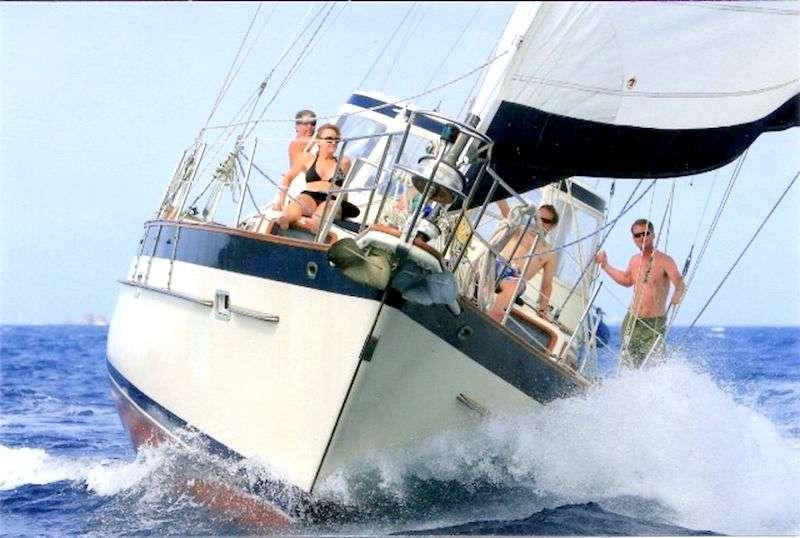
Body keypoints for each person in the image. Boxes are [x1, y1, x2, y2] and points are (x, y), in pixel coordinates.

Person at [594, 219, 685, 368]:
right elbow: (627, 280)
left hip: (654, 324)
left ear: (653, 235)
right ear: (633, 238)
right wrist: (605, 266)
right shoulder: (634, 261)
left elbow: (680, 284)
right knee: (627, 364)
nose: (642, 238)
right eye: (637, 235)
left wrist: (677, 295)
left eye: (645, 233)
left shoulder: (665, 261)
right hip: (632, 320)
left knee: (656, 365)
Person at [273, 123, 354, 232]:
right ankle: (285, 219)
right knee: (299, 202)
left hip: (331, 199)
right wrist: (280, 201)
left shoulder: (343, 162)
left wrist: (344, 207)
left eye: (336, 140)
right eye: (329, 139)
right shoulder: (308, 158)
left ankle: (314, 225)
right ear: (319, 141)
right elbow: (288, 177)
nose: (334, 142)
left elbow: (345, 187)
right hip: (310, 195)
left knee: (325, 209)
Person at [489, 200, 559, 322]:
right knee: (478, 265)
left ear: (552, 226)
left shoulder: (549, 253)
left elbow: (546, 285)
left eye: (544, 220)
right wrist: (500, 197)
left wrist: (542, 310)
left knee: (513, 286)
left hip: (515, 278)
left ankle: (491, 319)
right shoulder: (519, 229)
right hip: (498, 264)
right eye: (536, 217)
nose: (538, 222)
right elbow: (507, 212)